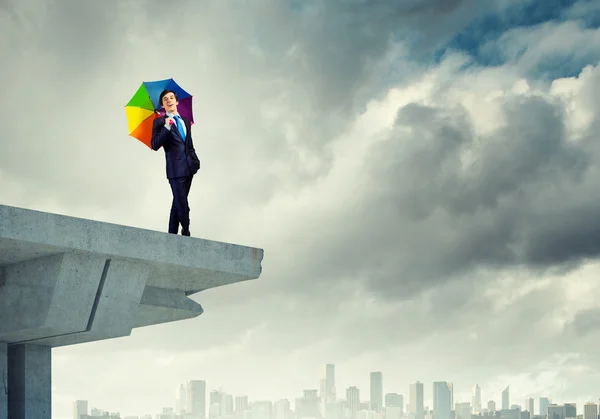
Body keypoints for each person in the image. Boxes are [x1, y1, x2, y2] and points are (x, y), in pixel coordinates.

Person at [151, 89, 200, 236]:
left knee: (177, 204)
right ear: (162, 105)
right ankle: (186, 230)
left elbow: (189, 144)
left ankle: (171, 235)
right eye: (165, 99)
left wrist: (196, 161)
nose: (169, 100)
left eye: (171, 98)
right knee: (183, 205)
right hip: (175, 170)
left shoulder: (185, 121)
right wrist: (166, 127)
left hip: (189, 168)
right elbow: (154, 145)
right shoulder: (159, 121)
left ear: (177, 102)